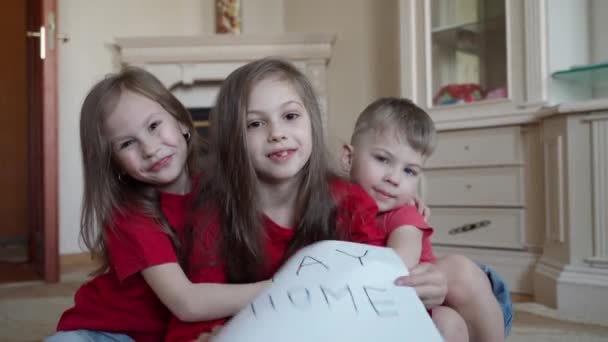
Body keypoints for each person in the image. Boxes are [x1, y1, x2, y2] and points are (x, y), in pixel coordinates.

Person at [166, 58, 460, 342]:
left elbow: (376, 287)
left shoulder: (348, 202)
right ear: (232, 139)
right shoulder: (215, 208)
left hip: (334, 326)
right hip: (259, 327)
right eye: (255, 124)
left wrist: (424, 287)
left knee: (450, 321)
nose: (277, 133)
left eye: (290, 116)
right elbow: (202, 304)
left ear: (312, 123)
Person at [46, 67, 270, 342]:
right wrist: (275, 289)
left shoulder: (218, 187)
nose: (150, 149)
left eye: (154, 126)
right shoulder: (130, 217)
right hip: (106, 333)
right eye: (128, 143)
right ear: (114, 163)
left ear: (182, 123)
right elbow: (186, 302)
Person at [341, 97, 511, 342]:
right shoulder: (333, 202)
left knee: (452, 302)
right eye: (382, 159)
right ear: (348, 158)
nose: (394, 178)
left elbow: (398, 266)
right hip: (377, 313)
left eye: (409, 171)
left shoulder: (404, 215)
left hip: (430, 303)